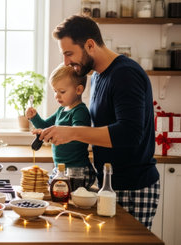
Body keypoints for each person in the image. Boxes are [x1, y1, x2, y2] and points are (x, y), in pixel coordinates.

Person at [42, 15, 159, 229]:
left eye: (69, 53)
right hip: (109, 183)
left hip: (133, 186)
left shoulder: (125, 74)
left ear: (89, 45)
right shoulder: (97, 76)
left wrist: (72, 133)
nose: (66, 62)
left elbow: (129, 134)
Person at [26, 64, 91, 181]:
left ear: (79, 90)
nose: (57, 96)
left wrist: (51, 136)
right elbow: (45, 126)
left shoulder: (80, 111)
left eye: (62, 91)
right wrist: (34, 117)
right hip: (60, 169)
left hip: (77, 170)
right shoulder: (62, 110)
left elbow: (79, 136)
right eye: (55, 91)